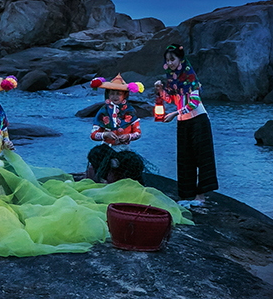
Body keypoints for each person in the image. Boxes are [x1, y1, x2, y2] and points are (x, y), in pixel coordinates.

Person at [154, 44, 218, 202]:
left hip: (198, 120)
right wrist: (161, 90)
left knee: (201, 158)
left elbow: (194, 102)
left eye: (172, 59)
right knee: (185, 159)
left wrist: (175, 113)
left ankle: (200, 196)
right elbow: (172, 99)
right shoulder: (173, 79)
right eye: (167, 60)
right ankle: (187, 194)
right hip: (183, 122)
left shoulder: (189, 76)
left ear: (180, 59)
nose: (170, 63)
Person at [89, 74, 144, 146]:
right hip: (106, 148)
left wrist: (128, 136)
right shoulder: (103, 111)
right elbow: (93, 135)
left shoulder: (130, 111)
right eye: (112, 94)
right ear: (107, 95)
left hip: (124, 148)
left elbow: (138, 133)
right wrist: (105, 134)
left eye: (119, 94)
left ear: (125, 96)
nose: (115, 97)